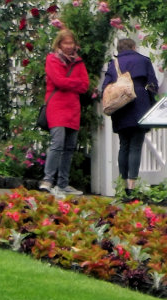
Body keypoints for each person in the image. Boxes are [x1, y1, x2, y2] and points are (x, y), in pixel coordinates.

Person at [102, 37, 159, 200]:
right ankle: (131, 186)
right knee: (136, 145)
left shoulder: (114, 63)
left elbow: (105, 85)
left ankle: (121, 184)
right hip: (139, 103)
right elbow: (153, 85)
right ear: (134, 47)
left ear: (119, 49)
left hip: (121, 105)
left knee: (124, 145)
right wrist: (151, 101)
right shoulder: (144, 61)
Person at [39, 29, 90, 196]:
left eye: (71, 43)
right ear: (59, 44)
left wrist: (70, 83)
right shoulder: (52, 60)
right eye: (65, 43)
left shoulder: (79, 62)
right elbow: (59, 82)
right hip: (56, 106)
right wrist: (73, 83)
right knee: (57, 143)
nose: (69, 46)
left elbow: (85, 85)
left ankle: (63, 184)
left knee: (69, 146)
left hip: (73, 108)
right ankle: (47, 180)